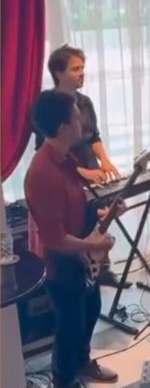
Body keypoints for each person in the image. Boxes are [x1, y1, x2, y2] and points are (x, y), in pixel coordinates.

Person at [25, 91, 120, 388]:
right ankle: (63, 381)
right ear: (63, 126)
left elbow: (75, 202)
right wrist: (95, 246)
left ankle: (82, 363)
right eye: (76, 116)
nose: (83, 122)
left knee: (90, 310)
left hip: (79, 255)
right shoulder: (42, 173)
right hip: (59, 262)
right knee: (69, 326)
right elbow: (54, 239)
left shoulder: (67, 158)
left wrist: (103, 212)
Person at [34, 45, 120, 285]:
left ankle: (99, 270)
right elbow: (47, 150)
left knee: (94, 221)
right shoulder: (49, 108)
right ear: (58, 73)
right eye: (76, 69)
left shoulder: (85, 102)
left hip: (87, 171)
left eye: (83, 68)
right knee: (77, 231)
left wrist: (105, 161)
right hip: (75, 177)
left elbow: (94, 136)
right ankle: (86, 271)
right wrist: (84, 174)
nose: (82, 73)